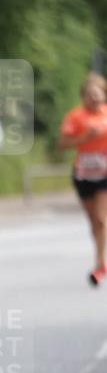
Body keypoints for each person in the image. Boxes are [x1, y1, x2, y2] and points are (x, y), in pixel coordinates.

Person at [58, 72, 107, 286]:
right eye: (89, 95)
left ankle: (99, 262)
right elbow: (62, 143)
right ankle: (100, 259)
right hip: (83, 174)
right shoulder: (75, 117)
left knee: (101, 217)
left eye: (96, 94)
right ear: (83, 97)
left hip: (104, 173)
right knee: (92, 221)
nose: (93, 98)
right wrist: (84, 138)